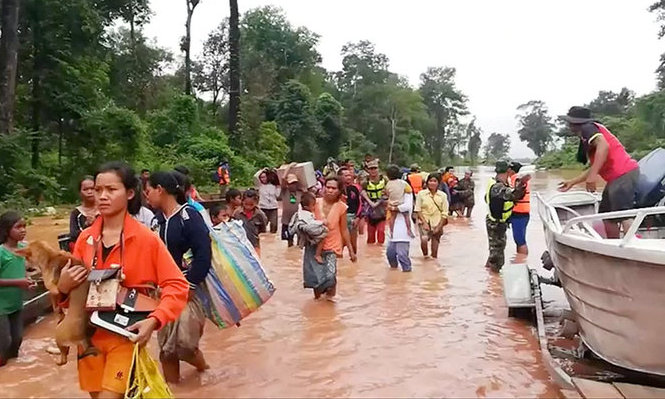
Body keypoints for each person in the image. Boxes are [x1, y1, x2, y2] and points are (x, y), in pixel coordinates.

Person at [57, 161, 188, 398]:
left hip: (125, 334)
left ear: (129, 193)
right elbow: (70, 298)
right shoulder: (86, 239)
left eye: (111, 190)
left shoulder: (146, 239)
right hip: (89, 337)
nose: (102, 196)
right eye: (98, 190)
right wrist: (63, 288)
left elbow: (177, 285)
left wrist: (155, 320)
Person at [147, 170, 212, 384]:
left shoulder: (189, 216)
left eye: (148, 191)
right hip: (162, 292)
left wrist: (191, 284)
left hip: (187, 289)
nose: (146, 196)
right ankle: (173, 390)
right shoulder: (156, 222)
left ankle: (204, 369)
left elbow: (204, 253)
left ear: (160, 190)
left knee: (185, 345)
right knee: (166, 350)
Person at [559, 106, 640, 238]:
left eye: (569, 122)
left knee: (623, 213)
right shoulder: (587, 135)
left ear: (575, 122)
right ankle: (613, 247)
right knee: (606, 215)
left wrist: (592, 176)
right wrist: (573, 182)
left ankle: (636, 248)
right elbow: (596, 165)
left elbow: (604, 146)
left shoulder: (588, 128)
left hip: (623, 173)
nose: (568, 125)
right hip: (615, 177)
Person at [304, 177, 356, 300]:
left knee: (331, 276)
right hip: (314, 245)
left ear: (339, 191)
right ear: (323, 188)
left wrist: (350, 250)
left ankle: (330, 301)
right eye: (328, 187)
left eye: (334, 188)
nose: (330, 190)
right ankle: (320, 309)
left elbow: (344, 229)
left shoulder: (342, 207)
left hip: (332, 245)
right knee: (316, 279)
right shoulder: (314, 203)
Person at [0, 211, 36, 367]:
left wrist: (29, 281)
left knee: (17, 340)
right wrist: (18, 282)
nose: (23, 230)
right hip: (1, 305)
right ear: (7, 230)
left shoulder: (25, 247)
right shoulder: (1, 252)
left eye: (24, 226)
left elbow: (28, 268)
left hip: (16, 303)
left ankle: (12, 373)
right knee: (4, 342)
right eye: (18, 227)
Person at [485, 161, 530, 272]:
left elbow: (486, 198)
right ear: (507, 171)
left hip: (496, 221)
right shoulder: (498, 186)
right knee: (497, 257)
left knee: (496, 251)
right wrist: (522, 184)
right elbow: (513, 195)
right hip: (496, 223)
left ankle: (487, 273)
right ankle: (493, 284)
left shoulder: (494, 182)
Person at [414, 175, 449, 258]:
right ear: (427, 182)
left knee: (434, 253)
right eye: (430, 181)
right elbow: (418, 209)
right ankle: (425, 257)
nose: (432, 183)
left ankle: (432, 264)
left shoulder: (443, 196)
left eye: (434, 181)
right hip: (424, 220)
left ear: (438, 183)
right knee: (424, 239)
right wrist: (424, 223)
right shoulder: (421, 194)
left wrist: (439, 227)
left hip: (438, 222)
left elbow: (445, 213)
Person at [386, 176, 415, 272]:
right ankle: (394, 274)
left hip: (403, 229)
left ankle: (407, 272)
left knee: (402, 254)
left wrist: (395, 208)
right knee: (390, 254)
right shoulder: (390, 190)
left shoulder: (407, 193)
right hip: (392, 227)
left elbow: (407, 206)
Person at [234, 190, 268, 256]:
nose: (248, 207)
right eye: (246, 204)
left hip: (254, 243)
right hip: (240, 243)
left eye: (251, 205)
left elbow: (263, 227)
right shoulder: (237, 213)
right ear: (242, 201)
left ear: (256, 203)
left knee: (256, 261)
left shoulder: (260, 215)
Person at [362, 159, 388, 245]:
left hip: (382, 210)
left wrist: (384, 199)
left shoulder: (384, 179)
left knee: (381, 232)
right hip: (370, 211)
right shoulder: (365, 182)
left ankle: (379, 253)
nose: (373, 171)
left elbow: (390, 191)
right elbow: (362, 193)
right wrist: (370, 203)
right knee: (370, 237)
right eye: (371, 169)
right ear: (368, 170)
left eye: (375, 168)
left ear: (378, 169)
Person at [384, 165, 414, 239]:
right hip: (401, 203)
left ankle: (391, 232)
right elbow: (409, 190)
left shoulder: (388, 184)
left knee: (392, 218)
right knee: (407, 217)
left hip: (392, 204)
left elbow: (387, 193)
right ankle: (409, 230)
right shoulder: (403, 183)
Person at [298, 192, 328, 263]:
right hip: (309, 229)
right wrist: (322, 222)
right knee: (323, 236)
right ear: (306, 207)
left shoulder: (301, 212)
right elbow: (311, 223)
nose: (315, 207)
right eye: (313, 205)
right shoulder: (307, 215)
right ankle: (317, 254)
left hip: (305, 230)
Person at [507, 162, 530, 254]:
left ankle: (522, 261)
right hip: (523, 213)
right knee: (519, 240)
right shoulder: (518, 179)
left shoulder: (515, 179)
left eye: (508, 168)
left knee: (520, 240)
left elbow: (514, 194)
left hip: (519, 213)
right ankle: (520, 260)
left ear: (511, 170)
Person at [69, 176, 98, 248]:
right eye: (85, 189)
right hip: (83, 249)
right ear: (80, 193)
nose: (89, 192)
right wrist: (87, 226)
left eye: (92, 188)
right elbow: (73, 235)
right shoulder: (76, 213)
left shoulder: (105, 210)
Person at [341, 167, 362, 254]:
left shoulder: (355, 188)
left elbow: (360, 204)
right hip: (340, 219)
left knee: (353, 245)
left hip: (352, 217)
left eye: (349, 175)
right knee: (339, 244)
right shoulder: (336, 189)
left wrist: (358, 217)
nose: (349, 177)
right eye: (346, 175)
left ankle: (353, 264)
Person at [257, 169, 280, 234]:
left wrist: (278, 187)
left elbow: (277, 196)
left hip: (273, 208)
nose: (263, 179)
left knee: (274, 226)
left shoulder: (274, 186)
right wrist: (263, 169)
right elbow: (255, 176)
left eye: (264, 177)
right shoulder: (259, 185)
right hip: (263, 208)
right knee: (262, 227)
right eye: (261, 177)